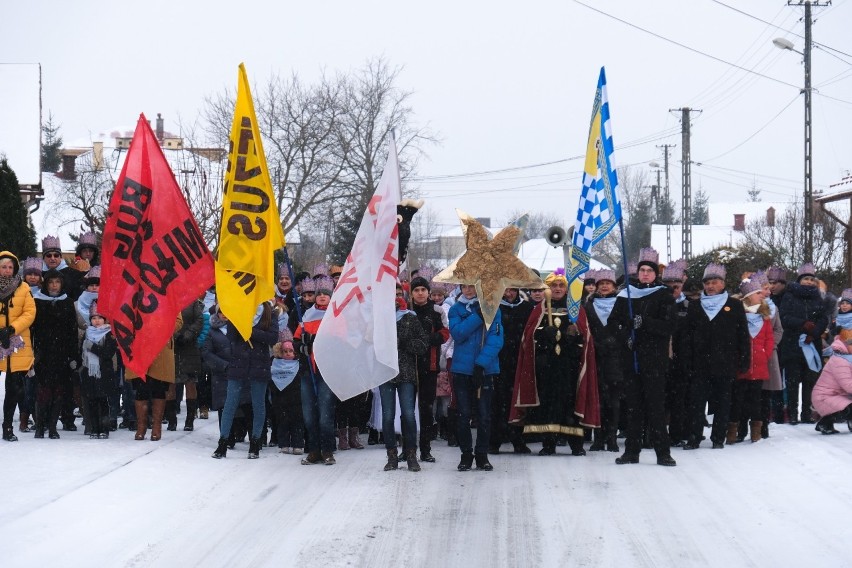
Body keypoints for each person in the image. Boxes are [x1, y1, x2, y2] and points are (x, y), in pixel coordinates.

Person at [607, 248, 677, 466]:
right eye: (642, 270)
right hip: (631, 358)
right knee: (633, 407)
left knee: (656, 407)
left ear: (656, 274)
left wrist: (645, 323)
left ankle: (663, 453)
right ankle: (631, 451)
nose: (645, 274)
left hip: (654, 359)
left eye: (649, 270)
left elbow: (669, 326)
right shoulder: (626, 294)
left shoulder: (664, 295)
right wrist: (625, 335)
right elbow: (613, 323)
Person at [681, 263, 751, 450]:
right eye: (707, 283)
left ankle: (718, 438)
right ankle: (694, 437)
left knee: (722, 402)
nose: (710, 286)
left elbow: (743, 335)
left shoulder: (734, 305)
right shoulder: (695, 306)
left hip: (725, 362)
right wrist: (687, 360)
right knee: (696, 403)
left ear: (723, 283)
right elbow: (687, 336)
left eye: (714, 282)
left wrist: (744, 359)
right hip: (700, 363)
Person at [211, 301, 278, 459]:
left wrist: (251, 332)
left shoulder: (270, 312)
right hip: (238, 363)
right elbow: (232, 337)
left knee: (258, 404)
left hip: (259, 364)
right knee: (230, 403)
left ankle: (255, 442)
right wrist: (240, 322)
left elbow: (273, 338)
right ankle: (223, 442)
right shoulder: (239, 309)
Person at [448, 283, 503, 471]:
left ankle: (482, 454)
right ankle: (466, 454)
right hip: (462, 370)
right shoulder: (456, 309)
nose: (469, 291)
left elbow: (496, 339)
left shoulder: (493, 309)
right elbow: (458, 333)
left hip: (485, 369)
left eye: (473, 287)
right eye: (465, 287)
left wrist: (481, 363)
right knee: (463, 415)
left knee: (484, 415)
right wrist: (477, 317)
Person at [380, 295, 429, 472]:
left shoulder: (410, 317)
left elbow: (423, 344)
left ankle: (410, 454)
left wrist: (405, 342)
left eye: (398, 294)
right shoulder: (380, 319)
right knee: (387, 416)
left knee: (408, 414)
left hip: (406, 372)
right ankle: (391, 455)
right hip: (385, 372)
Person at [295, 275, 338, 465]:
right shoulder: (306, 316)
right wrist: (302, 347)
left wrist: (318, 343)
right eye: (319, 294)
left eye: (325, 294)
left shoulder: (336, 317)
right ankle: (313, 450)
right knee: (309, 414)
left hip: (326, 370)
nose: (321, 297)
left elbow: (340, 340)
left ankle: (327, 449)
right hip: (307, 371)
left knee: (325, 413)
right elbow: (297, 341)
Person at [30, 269, 79, 439]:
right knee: (43, 391)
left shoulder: (67, 302)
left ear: (62, 284)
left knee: (59, 391)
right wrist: (33, 353)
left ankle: (52, 427)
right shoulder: (37, 302)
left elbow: (73, 331)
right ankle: (40, 425)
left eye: (57, 282)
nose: (54, 285)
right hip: (43, 353)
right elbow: (32, 330)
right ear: (45, 284)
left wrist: (74, 355)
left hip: (62, 354)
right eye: (51, 282)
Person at [778, 263, 829, 425]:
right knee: (793, 381)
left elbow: (823, 318)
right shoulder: (789, 295)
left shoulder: (817, 297)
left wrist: (814, 332)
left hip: (812, 344)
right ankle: (793, 413)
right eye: (805, 279)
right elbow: (784, 317)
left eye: (811, 279)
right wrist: (802, 324)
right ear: (799, 280)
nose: (808, 282)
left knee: (810, 380)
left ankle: (806, 413)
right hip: (793, 343)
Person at [409, 274, 450, 462]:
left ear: (428, 292)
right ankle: (408, 448)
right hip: (408, 367)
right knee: (408, 410)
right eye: (416, 290)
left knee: (426, 409)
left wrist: (429, 339)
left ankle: (425, 449)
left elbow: (445, 332)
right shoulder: (406, 311)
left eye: (423, 290)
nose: (420, 293)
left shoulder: (437, 310)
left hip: (430, 365)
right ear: (411, 293)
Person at [728, 278, 774, 444]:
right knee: (738, 399)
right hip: (741, 365)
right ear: (748, 296)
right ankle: (735, 430)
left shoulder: (764, 318)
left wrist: (764, 353)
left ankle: (756, 431)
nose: (762, 295)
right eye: (758, 293)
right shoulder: (738, 315)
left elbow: (769, 339)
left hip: (759, 365)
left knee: (756, 400)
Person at [126, 315, 182, 441]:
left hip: (160, 347)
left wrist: (159, 328)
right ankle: (141, 426)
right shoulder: (134, 295)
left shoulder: (168, 296)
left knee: (159, 388)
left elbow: (178, 321)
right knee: (140, 388)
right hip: (139, 347)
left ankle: (157, 426)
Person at [586, 269, 623, 452]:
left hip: (616, 358)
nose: (605, 286)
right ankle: (598, 438)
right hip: (596, 357)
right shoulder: (589, 305)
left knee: (614, 402)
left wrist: (616, 341)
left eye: (608, 283)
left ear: (614, 286)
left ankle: (612, 438)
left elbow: (627, 328)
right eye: (601, 284)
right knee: (598, 400)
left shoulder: (622, 304)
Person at [0, 252, 36, 442]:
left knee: (13, 388)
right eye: (3, 266)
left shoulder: (23, 288)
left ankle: (7, 427)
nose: (7, 270)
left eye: (10, 267)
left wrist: (12, 329)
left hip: (17, 343)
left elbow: (30, 313)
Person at [80, 300, 118, 439]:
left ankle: (104, 428)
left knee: (103, 401)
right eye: (94, 318)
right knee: (91, 402)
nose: (97, 321)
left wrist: (93, 347)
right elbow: (81, 351)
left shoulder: (109, 334)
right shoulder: (87, 333)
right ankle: (94, 428)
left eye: (100, 318)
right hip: (89, 372)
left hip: (104, 372)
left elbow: (108, 353)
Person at [168, 295, 205, 432]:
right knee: (170, 382)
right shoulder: (168, 299)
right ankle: (172, 419)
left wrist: (188, 335)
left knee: (190, 383)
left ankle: (190, 419)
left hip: (189, 346)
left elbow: (199, 320)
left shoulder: (192, 301)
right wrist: (174, 335)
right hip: (171, 346)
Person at [270, 328, 303, 454]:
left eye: (291, 351)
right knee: (282, 421)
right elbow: (272, 382)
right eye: (285, 351)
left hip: (296, 399)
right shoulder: (275, 365)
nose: (288, 353)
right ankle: (283, 443)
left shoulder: (298, 364)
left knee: (297, 422)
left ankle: (298, 444)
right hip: (280, 399)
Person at [812, 336, 852, 434]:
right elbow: (848, 385)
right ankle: (824, 423)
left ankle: (827, 423)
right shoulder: (840, 361)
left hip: (836, 395)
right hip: (824, 397)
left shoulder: (845, 358)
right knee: (849, 408)